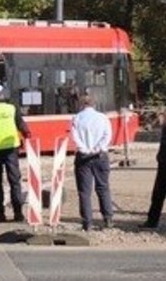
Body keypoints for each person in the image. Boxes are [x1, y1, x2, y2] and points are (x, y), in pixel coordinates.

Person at [0, 84, 31, 222]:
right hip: (11, 148)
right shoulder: (12, 108)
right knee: (14, 181)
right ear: (1, 94)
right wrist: (27, 134)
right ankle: (18, 213)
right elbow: (21, 124)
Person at [69, 92, 114, 231]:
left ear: (82, 104)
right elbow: (107, 135)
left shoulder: (76, 118)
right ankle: (108, 219)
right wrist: (98, 148)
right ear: (95, 104)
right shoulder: (103, 118)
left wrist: (84, 148)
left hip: (83, 158)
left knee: (84, 191)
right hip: (100, 156)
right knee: (103, 188)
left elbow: (74, 136)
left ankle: (87, 222)